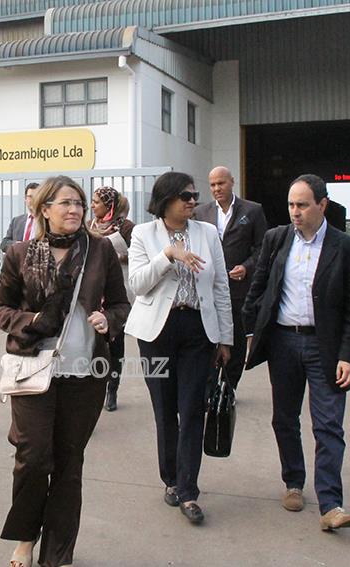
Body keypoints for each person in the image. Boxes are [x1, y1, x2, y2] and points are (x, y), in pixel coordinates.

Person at [0, 175, 129, 567]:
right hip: (32, 369)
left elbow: (121, 303)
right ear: (44, 209)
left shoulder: (100, 251)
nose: (74, 210)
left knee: (69, 465)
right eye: (66, 203)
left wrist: (109, 319)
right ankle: (24, 538)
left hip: (84, 374)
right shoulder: (20, 253)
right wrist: (32, 319)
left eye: (79, 204)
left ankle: (58, 554)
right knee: (33, 458)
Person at [243, 174, 350, 532]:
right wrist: (250, 330)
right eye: (290, 205)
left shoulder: (346, 248)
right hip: (283, 342)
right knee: (284, 418)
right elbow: (260, 286)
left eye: (302, 205)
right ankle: (294, 482)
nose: (294, 212)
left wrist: (349, 356)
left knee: (329, 423)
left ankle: (331, 504)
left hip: (324, 347)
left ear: (322, 205)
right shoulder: (276, 239)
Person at [124, 171, 232, 525]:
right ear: (165, 199)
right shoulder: (143, 234)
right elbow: (138, 284)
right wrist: (168, 255)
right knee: (164, 409)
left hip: (198, 330)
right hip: (157, 332)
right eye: (185, 196)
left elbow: (219, 288)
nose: (192, 202)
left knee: (193, 409)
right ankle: (170, 479)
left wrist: (225, 337)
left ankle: (188, 490)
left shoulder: (208, 233)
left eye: (194, 196)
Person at [193, 166, 267, 390]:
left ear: (232, 182)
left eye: (221, 183)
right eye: (213, 184)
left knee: (234, 339)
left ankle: (229, 386)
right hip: (209, 288)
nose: (216, 188)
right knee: (208, 337)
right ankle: (209, 386)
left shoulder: (252, 211)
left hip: (239, 289)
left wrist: (246, 267)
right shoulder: (201, 213)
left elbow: (262, 247)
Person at [89, 185, 135, 411]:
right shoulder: (89, 226)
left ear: (109, 205)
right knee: (94, 342)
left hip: (117, 291)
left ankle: (112, 388)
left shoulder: (126, 227)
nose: (92, 205)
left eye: (96, 201)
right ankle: (95, 386)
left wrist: (119, 257)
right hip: (94, 292)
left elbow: (139, 254)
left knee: (115, 341)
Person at [0, 182, 40, 254]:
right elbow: (4, 244)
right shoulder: (16, 221)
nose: (33, 200)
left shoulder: (47, 221)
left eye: (36, 196)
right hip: (18, 263)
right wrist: (17, 245)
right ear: (25, 199)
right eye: (30, 197)